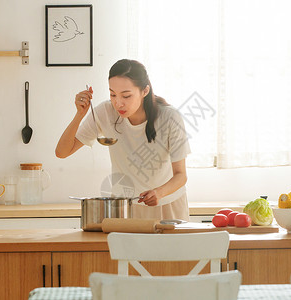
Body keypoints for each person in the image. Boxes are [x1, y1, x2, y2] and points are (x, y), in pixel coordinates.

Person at [56, 59, 191, 221]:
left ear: (145, 91)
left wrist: (158, 193)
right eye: (112, 94)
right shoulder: (105, 112)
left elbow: (181, 175)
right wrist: (80, 114)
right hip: (123, 207)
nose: (118, 103)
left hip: (167, 205)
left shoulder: (170, 117)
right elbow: (62, 152)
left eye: (126, 95)